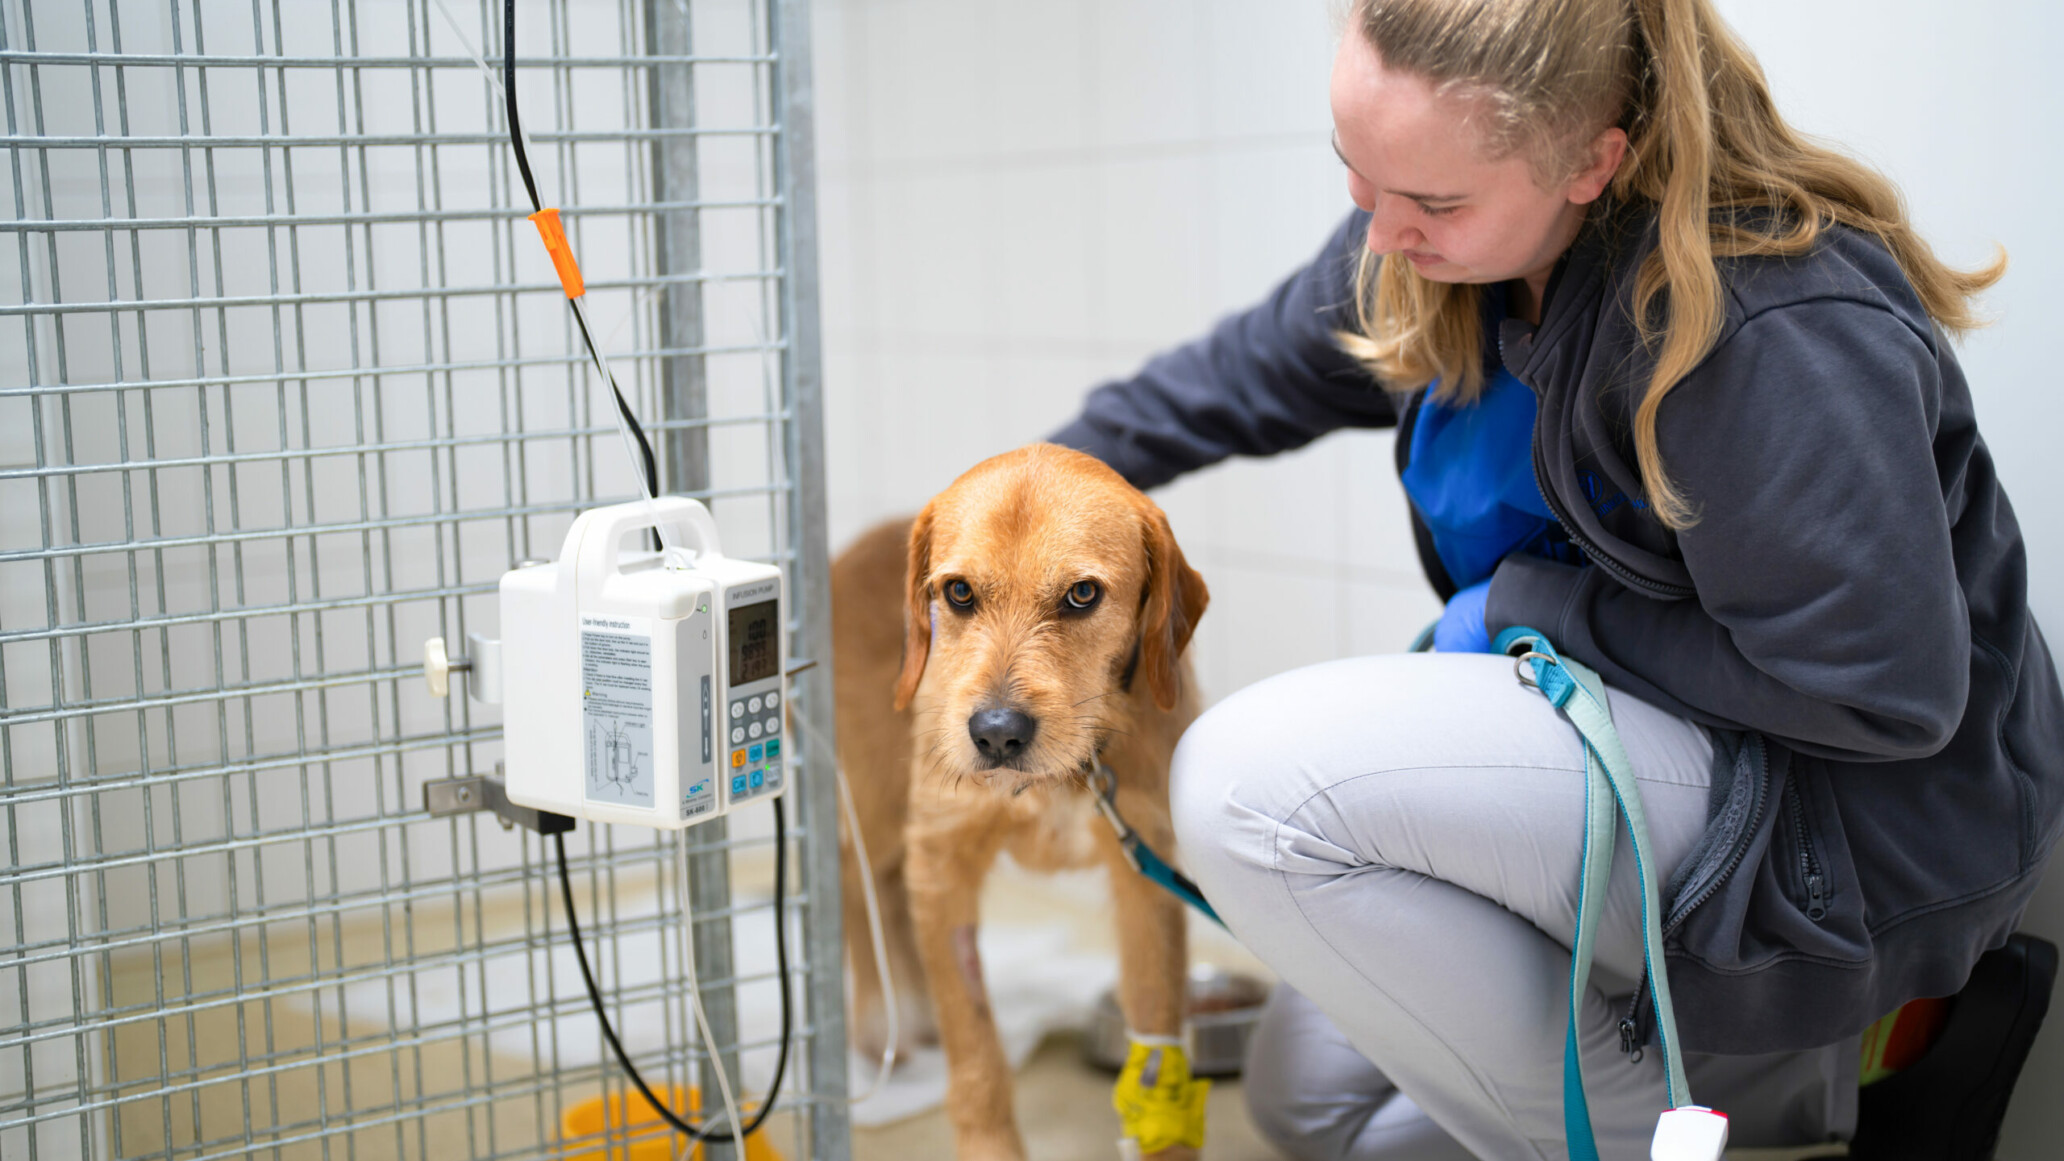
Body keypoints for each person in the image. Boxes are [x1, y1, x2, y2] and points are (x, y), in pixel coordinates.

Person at [1049, 0, 2062, 1157]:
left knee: (1242, 785)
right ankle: (1721, 1106)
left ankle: (1783, 1086)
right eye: (1356, 171)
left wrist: (1540, 608)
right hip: (1636, 739)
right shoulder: (1425, 247)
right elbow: (1224, 381)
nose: (1377, 232)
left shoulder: (1769, 320)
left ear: (1594, 159)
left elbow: (1879, 695)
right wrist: (1021, 514)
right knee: (1314, 1110)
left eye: (1433, 201)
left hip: (1831, 823)